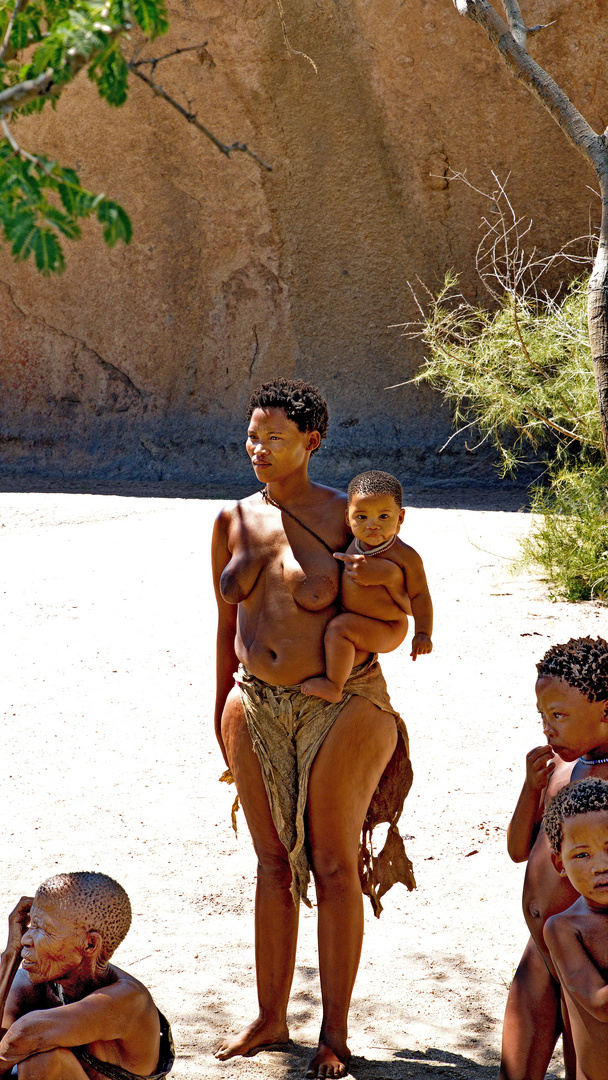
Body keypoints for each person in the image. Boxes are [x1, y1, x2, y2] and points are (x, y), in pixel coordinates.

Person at [212, 378, 415, 1078]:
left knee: (332, 865)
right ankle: (270, 1019)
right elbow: (223, 625)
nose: (258, 448)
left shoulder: (347, 518)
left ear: (312, 444)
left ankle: (334, 1033)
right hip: (254, 704)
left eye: (274, 437)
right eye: (251, 434)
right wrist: (220, 710)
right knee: (271, 864)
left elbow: (396, 611)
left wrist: (390, 641)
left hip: (344, 703)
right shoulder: (232, 520)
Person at [499, 636, 608, 1080]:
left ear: (604, 710)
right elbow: (518, 849)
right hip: (542, 950)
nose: (548, 728)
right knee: (515, 1069)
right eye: (542, 716)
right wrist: (531, 788)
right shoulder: (561, 769)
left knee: (584, 1068)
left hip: (586, 949)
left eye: (559, 716)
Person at [0, 872, 174, 1079]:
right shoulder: (32, 983)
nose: (26, 939)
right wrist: (10, 956)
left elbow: (24, 1035)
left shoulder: (127, 1000)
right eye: (31, 925)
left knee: (43, 1059)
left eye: (43, 929)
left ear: (90, 943)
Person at [301, 469, 433, 702]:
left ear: (400, 518)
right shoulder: (353, 541)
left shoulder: (405, 556)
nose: (372, 525)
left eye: (384, 517)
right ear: (347, 518)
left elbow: (420, 596)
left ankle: (333, 686)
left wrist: (422, 633)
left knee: (340, 628)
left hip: (388, 626)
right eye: (362, 517)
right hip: (360, 618)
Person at [544, 777, 608, 1080]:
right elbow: (599, 1003)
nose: (601, 866)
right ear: (560, 865)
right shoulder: (563, 929)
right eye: (582, 855)